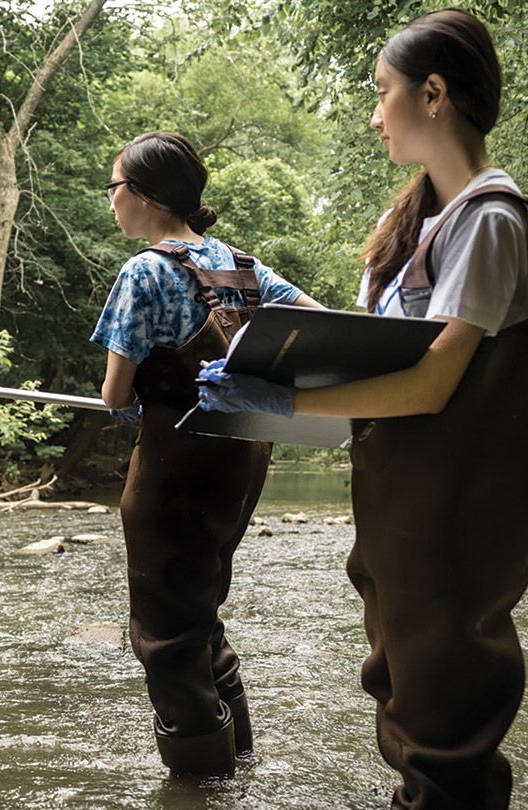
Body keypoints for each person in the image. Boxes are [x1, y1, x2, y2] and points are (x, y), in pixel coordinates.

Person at [198, 10, 528, 808]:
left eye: (382, 92)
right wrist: (258, 336)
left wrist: (282, 396)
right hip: (406, 511)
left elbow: (430, 385)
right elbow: (385, 352)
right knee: (407, 697)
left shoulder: (490, 220)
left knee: (444, 727)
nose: (373, 113)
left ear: (432, 95)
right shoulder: (421, 222)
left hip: (455, 517)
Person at [90, 132, 321, 777]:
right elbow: (320, 321)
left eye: (114, 188)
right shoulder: (243, 267)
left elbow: (114, 394)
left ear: (144, 195)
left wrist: (133, 398)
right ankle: (239, 758)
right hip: (242, 458)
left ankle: (203, 778)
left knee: (164, 627)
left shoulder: (145, 271)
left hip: (173, 466)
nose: (111, 201)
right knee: (199, 602)